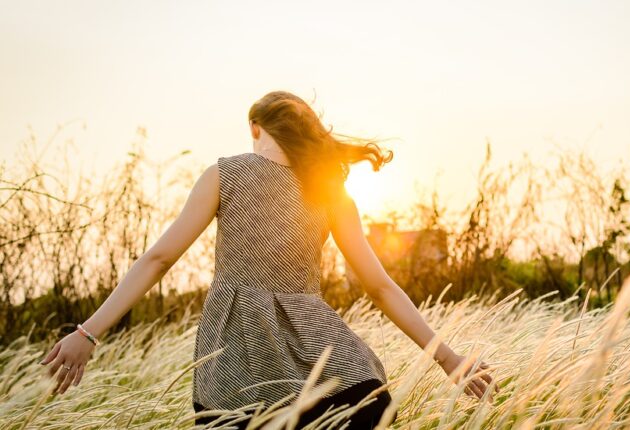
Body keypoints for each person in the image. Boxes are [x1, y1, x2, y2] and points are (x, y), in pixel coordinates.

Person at [38, 90, 498, 428]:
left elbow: (159, 259)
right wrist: (448, 358)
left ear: (256, 127)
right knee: (367, 406)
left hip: (236, 360)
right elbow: (380, 287)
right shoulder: (330, 193)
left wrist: (88, 332)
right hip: (323, 360)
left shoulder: (226, 173)